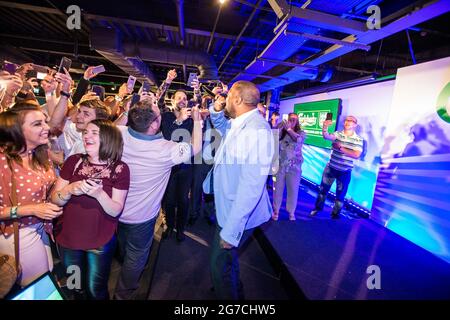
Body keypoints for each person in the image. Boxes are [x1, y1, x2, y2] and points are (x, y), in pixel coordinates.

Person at [113, 97, 202, 300]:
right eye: (158, 115)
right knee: (136, 256)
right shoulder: (165, 149)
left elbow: (111, 128)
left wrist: (127, 113)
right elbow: (195, 148)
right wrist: (197, 120)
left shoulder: (120, 134)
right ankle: (123, 294)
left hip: (114, 210)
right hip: (142, 218)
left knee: (122, 248)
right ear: (154, 124)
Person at [204, 80, 274, 299]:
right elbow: (223, 127)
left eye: (229, 95)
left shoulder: (257, 130)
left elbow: (251, 187)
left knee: (219, 265)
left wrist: (232, 230)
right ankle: (233, 290)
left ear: (238, 99)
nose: (224, 99)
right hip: (228, 206)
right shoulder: (241, 121)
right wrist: (216, 110)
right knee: (227, 261)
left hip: (237, 213)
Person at [51, 119, 130, 299]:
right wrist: (70, 189)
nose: (87, 136)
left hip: (99, 241)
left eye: (94, 132)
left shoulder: (120, 169)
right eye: (86, 132)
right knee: (75, 286)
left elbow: (116, 210)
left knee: (96, 290)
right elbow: (55, 200)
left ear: (109, 138)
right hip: (69, 239)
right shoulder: (73, 161)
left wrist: (99, 194)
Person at [0, 102, 63, 288]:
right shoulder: (3, 161)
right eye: (37, 124)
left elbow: (49, 189)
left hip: (40, 227)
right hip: (16, 231)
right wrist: (32, 209)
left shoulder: (40, 154)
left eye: (45, 122)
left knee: (46, 275)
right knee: (39, 286)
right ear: (17, 130)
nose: (46, 128)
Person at [310, 115, 363, 219]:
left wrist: (340, 147)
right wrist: (324, 127)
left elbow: (356, 155)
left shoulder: (358, 139)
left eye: (351, 121)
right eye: (346, 120)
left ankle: (335, 214)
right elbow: (326, 136)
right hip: (331, 169)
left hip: (345, 172)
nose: (348, 122)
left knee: (340, 196)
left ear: (355, 125)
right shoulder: (337, 134)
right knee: (323, 191)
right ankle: (317, 208)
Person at [272, 113, 306, 221]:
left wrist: (290, 129)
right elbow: (272, 136)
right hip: (281, 165)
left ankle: (291, 212)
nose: (292, 120)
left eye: (294, 119)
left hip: (294, 167)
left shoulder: (300, 133)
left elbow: (298, 139)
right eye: (290, 119)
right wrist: (278, 125)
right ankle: (276, 210)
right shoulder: (282, 131)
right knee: (278, 189)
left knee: (293, 190)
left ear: (297, 121)